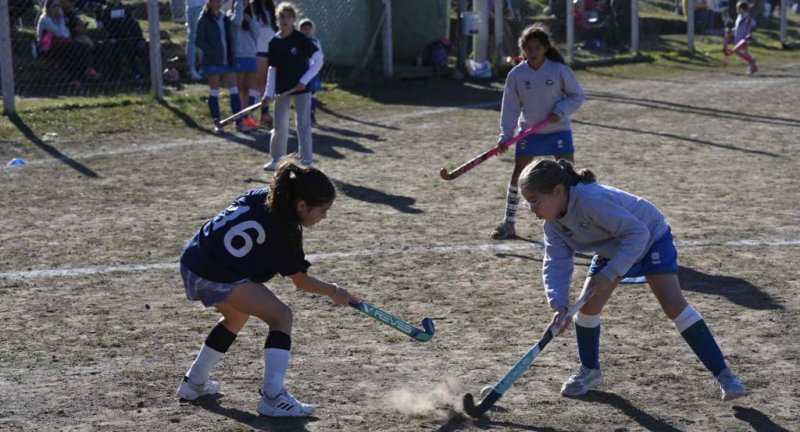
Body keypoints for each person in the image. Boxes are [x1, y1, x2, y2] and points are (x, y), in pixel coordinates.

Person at [517, 158, 748, 402]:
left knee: (672, 304)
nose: (532, 210)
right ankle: (590, 371)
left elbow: (638, 233)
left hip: (650, 239)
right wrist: (560, 305)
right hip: (612, 248)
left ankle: (725, 375)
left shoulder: (590, 200)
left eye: (535, 201)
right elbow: (556, 262)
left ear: (558, 191)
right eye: (527, 203)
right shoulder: (552, 225)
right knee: (587, 308)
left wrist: (611, 272)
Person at [176, 155, 359, 417]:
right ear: (302, 205)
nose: (324, 217)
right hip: (213, 272)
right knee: (281, 317)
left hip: (193, 259)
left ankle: (194, 382)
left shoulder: (264, 195)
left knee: (236, 316)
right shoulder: (285, 231)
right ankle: (273, 398)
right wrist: (335, 291)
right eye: (322, 211)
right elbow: (301, 281)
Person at [490, 23, 584, 240]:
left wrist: (559, 111)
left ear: (545, 48)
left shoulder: (559, 70)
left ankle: (573, 223)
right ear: (523, 49)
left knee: (568, 175)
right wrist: (506, 135)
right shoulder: (516, 75)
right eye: (528, 48)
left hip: (558, 130)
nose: (533, 52)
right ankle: (509, 222)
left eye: (537, 48)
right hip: (530, 133)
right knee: (518, 174)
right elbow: (510, 108)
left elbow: (576, 96)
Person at [260, 2, 322, 171]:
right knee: (279, 125)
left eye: (288, 17)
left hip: (302, 88)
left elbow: (318, 60)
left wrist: (305, 80)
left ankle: (307, 161)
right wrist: (268, 93)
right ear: (277, 20)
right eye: (282, 17)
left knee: (303, 124)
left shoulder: (301, 39)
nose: (285, 21)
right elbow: (272, 70)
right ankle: (276, 160)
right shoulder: (274, 42)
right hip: (282, 89)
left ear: (294, 19)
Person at [195, 0, 247, 133]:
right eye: (215, 1)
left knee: (234, 90)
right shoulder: (204, 19)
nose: (218, 4)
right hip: (213, 62)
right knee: (214, 91)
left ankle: (239, 122)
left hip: (227, 60)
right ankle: (218, 122)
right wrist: (211, 52)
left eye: (220, 1)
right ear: (210, 2)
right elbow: (198, 40)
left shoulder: (225, 18)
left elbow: (232, 30)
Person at [36, 0, 101, 87]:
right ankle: (76, 77)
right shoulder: (45, 20)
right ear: (48, 8)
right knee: (72, 50)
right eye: (54, 6)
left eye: (58, 6)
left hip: (60, 45)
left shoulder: (57, 18)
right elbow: (63, 34)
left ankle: (84, 72)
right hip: (47, 48)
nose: (57, 8)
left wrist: (60, 18)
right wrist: (61, 18)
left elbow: (66, 34)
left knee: (80, 48)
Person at [231, 0, 262, 131]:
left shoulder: (251, 17)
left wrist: (250, 20)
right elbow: (237, 22)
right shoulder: (232, 15)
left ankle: (247, 117)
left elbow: (257, 33)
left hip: (250, 55)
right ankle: (238, 119)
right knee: (238, 89)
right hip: (238, 56)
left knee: (247, 89)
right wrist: (239, 8)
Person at [254, 0, 277, 127]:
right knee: (260, 82)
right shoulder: (253, 8)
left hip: (272, 50)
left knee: (270, 83)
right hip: (259, 50)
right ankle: (258, 114)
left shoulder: (272, 9)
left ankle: (266, 114)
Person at [298, 18, 322, 125]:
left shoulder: (315, 42)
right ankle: (303, 114)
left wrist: (316, 68)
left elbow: (320, 56)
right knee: (302, 93)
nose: (306, 31)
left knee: (312, 92)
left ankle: (311, 113)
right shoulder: (297, 41)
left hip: (312, 71)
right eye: (303, 28)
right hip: (301, 71)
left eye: (308, 28)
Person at [733, 1, 758, 74]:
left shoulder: (746, 17)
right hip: (738, 38)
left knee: (736, 51)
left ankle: (751, 62)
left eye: (738, 8)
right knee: (745, 53)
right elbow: (738, 27)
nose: (736, 10)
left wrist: (748, 20)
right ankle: (753, 67)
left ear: (742, 9)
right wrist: (731, 31)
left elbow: (754, 23)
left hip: (744, 39)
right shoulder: (739, 17)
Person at [185, 0, 206, 80]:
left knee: (204, 36)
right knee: (193, 37)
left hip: (204, 5)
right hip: (194, 6)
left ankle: (202, 66)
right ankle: (191, 68)